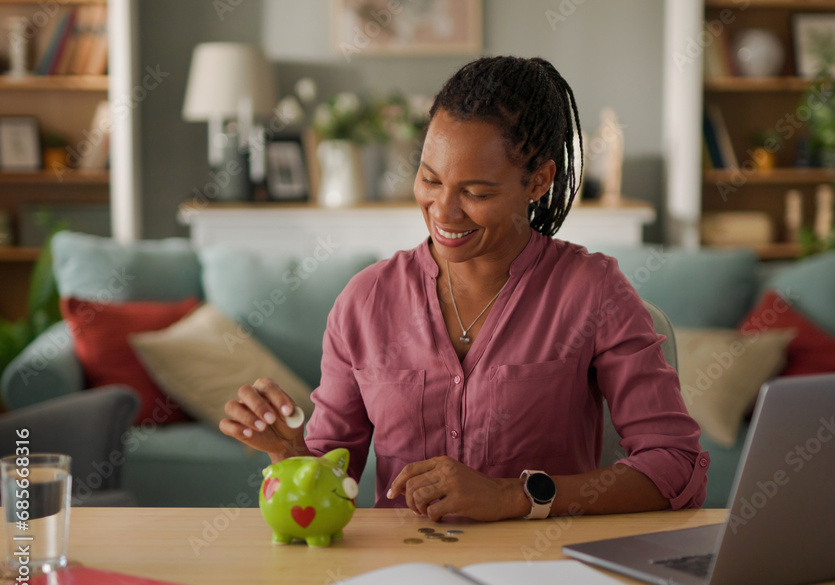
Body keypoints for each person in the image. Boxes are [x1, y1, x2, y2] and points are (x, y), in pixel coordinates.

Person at [220, 55, 710, 522]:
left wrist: (512, 496)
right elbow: (331, 481)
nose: (444, 211)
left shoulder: (593, 292)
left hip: (542, 573)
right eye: (430, 180)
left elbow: (676, 467)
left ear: (538, 181)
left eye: (477, 192)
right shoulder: (365, 302)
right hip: (402, 580)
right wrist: (289, 454)